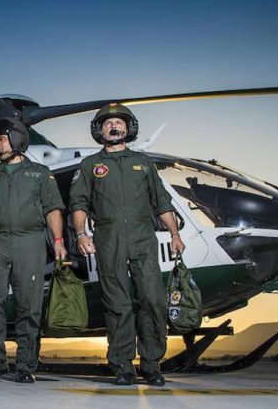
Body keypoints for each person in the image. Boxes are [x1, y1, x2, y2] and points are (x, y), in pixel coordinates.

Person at [69, 103, 186, 386]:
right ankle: (122, 366)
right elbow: (79, 203)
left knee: (152, 299)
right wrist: (81, 234)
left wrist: (174, 234)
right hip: (108, 238)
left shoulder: (143, 163)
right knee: (117, 303)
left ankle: (151, 364)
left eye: (119, 122)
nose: (114, 126)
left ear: (129, 128)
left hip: (143, 236)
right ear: (99, 130)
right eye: (108, 123)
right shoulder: (90, 165)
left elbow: (162, 202)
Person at [0, 118, 67, 383]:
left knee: (28, 303)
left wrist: (58, 241)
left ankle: (25, 365)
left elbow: (52, 209)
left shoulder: (40, 172)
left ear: (17, 139)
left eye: (1, 139)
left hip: (30, 240)